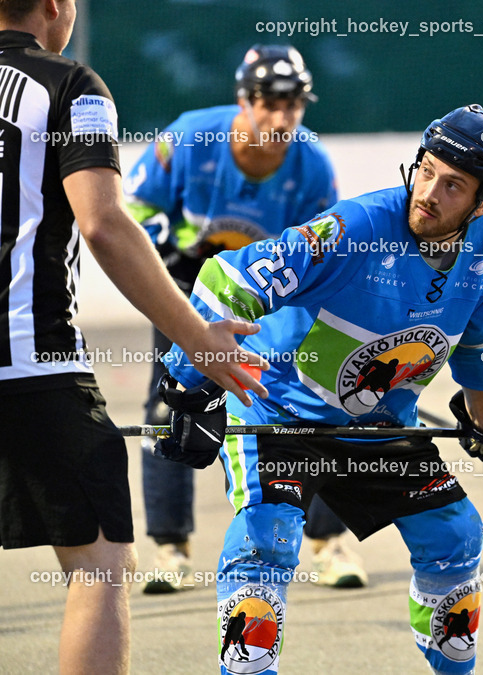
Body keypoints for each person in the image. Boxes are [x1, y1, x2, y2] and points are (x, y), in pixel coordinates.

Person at [156, 104, 483, 675]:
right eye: (425, 170)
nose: (428, 192)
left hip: (374, 425)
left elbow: (476, 342)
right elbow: (226, 279)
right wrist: (190, 387)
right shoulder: (354, 229)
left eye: (453, 186)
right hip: (274, 410)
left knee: (456, 533)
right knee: (268, 540)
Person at [0, 0, 267, 673]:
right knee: (99, 564)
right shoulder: (69, 85)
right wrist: (199, 338)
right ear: (58, 2)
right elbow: (105, 225)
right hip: (33, 366)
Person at [124, 44, 368, 592]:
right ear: (243, 99)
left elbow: (323, 250)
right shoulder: (191, 137)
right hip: (188, 295)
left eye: (294, 104)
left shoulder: (311, 164)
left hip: (268, 306)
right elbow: (131, 206)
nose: (281, 118)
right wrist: (170, 251)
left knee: (316, 404)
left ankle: (327, 542)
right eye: (268, 103)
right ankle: (171, 549)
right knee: (171, 405)